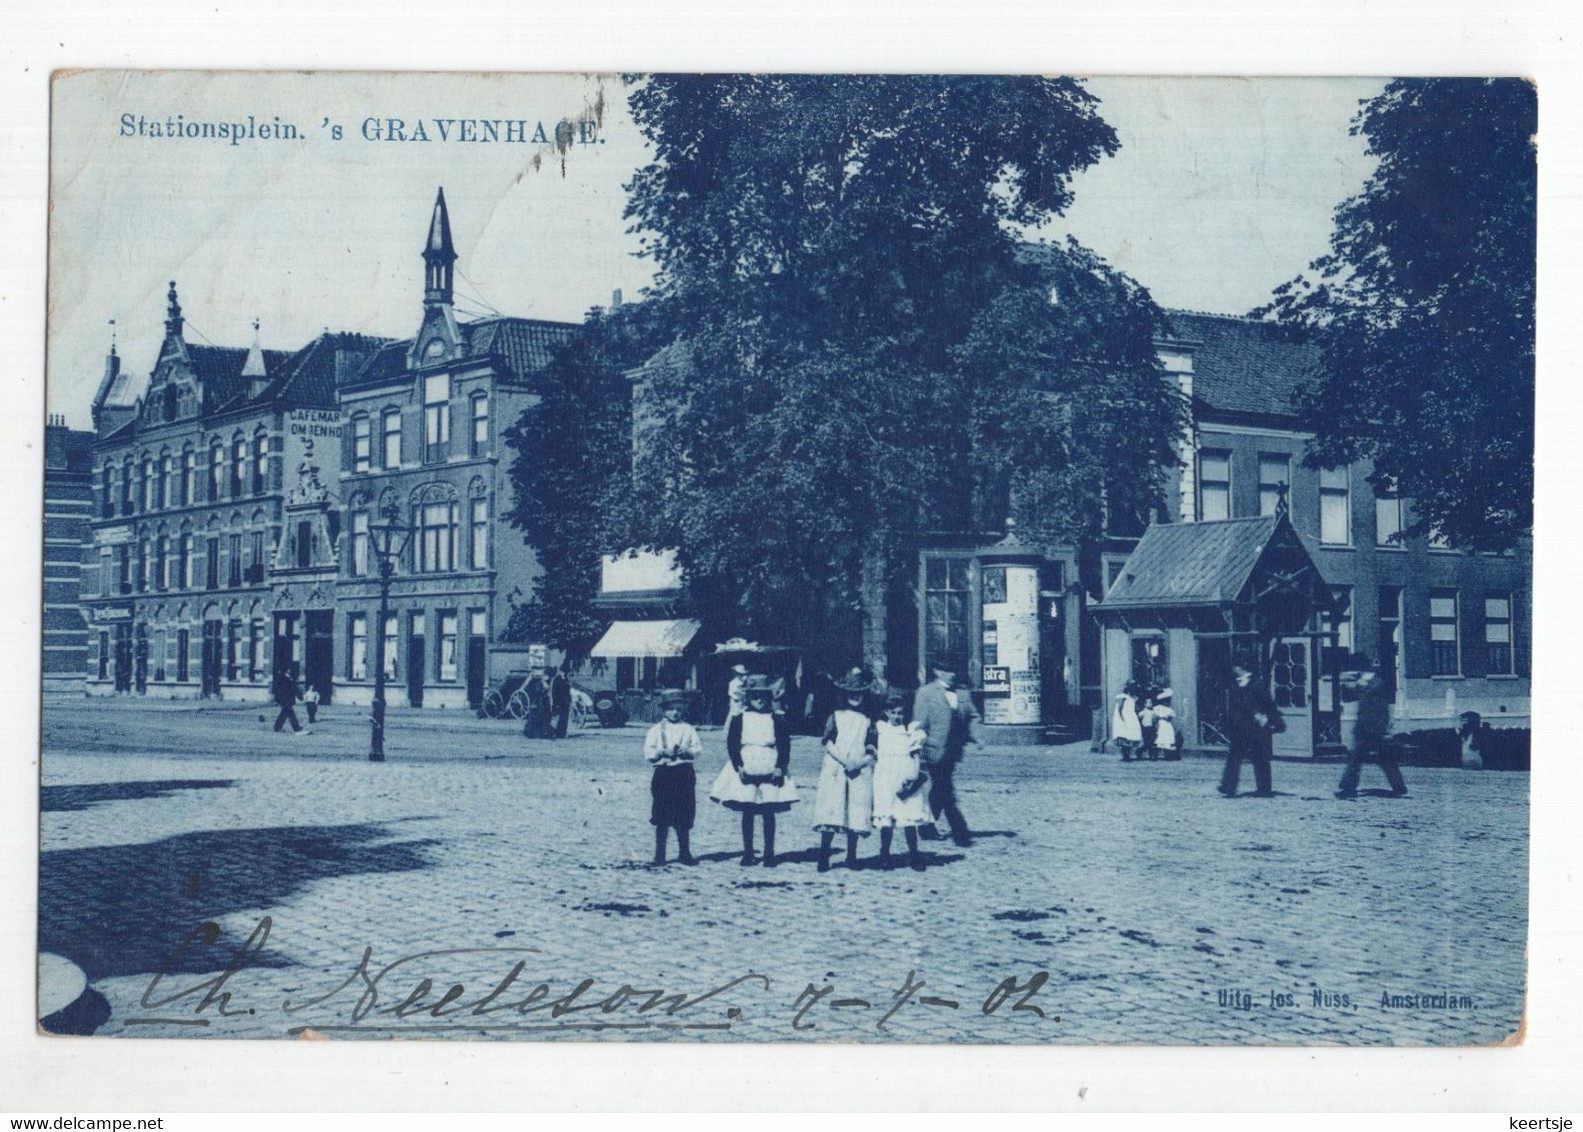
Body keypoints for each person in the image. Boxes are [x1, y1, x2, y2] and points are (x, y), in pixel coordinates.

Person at [710, 675, 799, 866]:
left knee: (768, 810)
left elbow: (784, 744)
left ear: (769, 698)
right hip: (747, 763)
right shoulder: (740, 718)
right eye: (755, 696)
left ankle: (769, 853)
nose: (759, 700)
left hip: (769, 762)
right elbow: (732, 743)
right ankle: (748, 852)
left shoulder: (776, 719)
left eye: (763, 696)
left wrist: (780, 767)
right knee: (748, 810)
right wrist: (738, 765)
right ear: (748, 698)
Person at [813, 668, 877, 871]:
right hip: (836, 767)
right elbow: (829, 742)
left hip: (858, 768)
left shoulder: (868, 720)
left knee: (855, 811)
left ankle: (852, 855)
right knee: (832, 809)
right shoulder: (836, 716)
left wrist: (860, 762)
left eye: (859, 692)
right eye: (851, 693)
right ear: (843, 694)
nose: (855, 697)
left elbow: (872, 747)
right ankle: (824, 855)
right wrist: (843, 760)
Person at [911, 657, 976, 846]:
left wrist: (978, 736)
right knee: (946, 790)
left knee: (940, 789)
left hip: (954, 751)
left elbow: (972, 716)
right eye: (946, 670)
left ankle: (925, 826)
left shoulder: (962, 693)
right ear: (937, 672)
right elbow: (919, 722)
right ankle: (960, 832)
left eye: (953, 671)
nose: (952, 674)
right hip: (933, 749)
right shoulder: (925, 693)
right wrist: (917, 746)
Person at [871, 688, 932, 870]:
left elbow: (915, 756)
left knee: (909, 817)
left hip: (904, 775)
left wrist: (912, 776)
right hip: (885, 777)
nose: (897, 716)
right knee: (887, 817)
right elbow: (872, 749)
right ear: (886, 712)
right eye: (893, 712)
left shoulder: (910, 731)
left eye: (900, 712)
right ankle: (884, 855)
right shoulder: (880, 729)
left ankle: (914, 854)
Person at [1336, 655, 1407, 798]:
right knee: (1383, 759)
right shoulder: (1365, 684)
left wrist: (1382, 727)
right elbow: (1348, 697)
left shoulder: (1376, 684)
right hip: (1365, 728)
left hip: (1372, 729)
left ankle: (1347, 788)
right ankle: (1399, 786)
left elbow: (1382, 709)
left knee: (1358, 759)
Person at [644, 690, 701, 865]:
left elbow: (698, 749)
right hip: (664, 773)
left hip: (683, 773)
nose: (674, 713)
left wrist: (688, 751)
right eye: (670, 709)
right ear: (664, 711)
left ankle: (685, 852)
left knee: (683, 814)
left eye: (678, 709)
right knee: (662, 814)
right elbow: (648, 752)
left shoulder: (688, 729)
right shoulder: (655, 730)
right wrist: (661, 752)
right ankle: (659, 854)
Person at [1219, 662, 1280, 797]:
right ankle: (1228, 786)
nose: (1233, 668)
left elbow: (1268, 703)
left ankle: (1264, 789)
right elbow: (1233, 708)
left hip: (1255, 727)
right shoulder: (1235, 684)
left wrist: (1271, 718)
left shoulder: (1257, 684)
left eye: (1235, 666)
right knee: (1234, 757)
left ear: (1240, 667)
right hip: (1239, 727)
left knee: (1260, 757)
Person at [1112, 681, 1144, 762]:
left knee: (1130, 736)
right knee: (1124, 736)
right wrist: (1122, 718)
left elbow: (1134, 708)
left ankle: (1127, 756)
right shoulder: (1123, 697)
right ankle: (1125, 756)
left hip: (1131, 718)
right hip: (1125, 718)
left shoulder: (1131, 698)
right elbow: (1119, 708)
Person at [272, 664, 304, 734]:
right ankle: (296, 728)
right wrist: (300, 697)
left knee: (286, 714)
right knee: (289, 714)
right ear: (287, 670)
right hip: (286, 700)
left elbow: (294, 689)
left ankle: (277, 727)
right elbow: (292, 689)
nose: (290, 670)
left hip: (287, 700)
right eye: (289, 669)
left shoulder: (288, 678)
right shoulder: (284, 679)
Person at [1152, 687, 1181, 760]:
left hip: (1167, 725)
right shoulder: (1158, 708)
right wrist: (1158, 719)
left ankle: (1168, 755)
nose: (1167, 702)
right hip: (1161, 724)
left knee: (1168, 738)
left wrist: (1164, 717)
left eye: (1168, 700)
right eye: (1165, 700)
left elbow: (1170, 718)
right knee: (1160, 738)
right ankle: (1155, 755)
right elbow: (1154, 717)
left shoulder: (1169, 709)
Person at [522, 671, 550, 739]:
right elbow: (537, 694)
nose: (546, 678)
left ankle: (541, 733)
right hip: (538, 703)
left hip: (543, 703)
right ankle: (533, 733)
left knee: (542, 718)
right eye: (546, 677)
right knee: (536, 718)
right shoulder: (539, 684)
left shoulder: (545, 683)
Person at [549, 666, 572, 739]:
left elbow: (568, 691)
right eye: (563, 672)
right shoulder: (557, 680)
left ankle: (563, 733)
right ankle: (556, 733)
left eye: (566, 672)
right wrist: (556, 703)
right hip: (559, 702)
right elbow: (554, 692)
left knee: (565, 718)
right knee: (558, 718)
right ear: (561, 671)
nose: (564, 673)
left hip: (566, 702)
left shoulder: (566, 679)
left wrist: (569, 699)